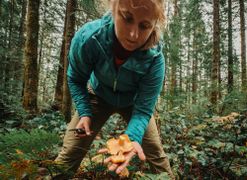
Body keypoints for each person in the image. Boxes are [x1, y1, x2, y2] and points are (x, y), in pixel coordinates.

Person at [54, 0, 173, 178]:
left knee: (156, 154)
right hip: (98, 95)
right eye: (127, 18)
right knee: (70, 152)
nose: (133, 34)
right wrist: (85, 112)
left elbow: (143, 110)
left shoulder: (155, 59)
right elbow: (76, 78)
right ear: (113, 8)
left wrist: (132, 138)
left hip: (134, 104)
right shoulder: (89, 38)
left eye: (144, 25)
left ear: (155, 24)